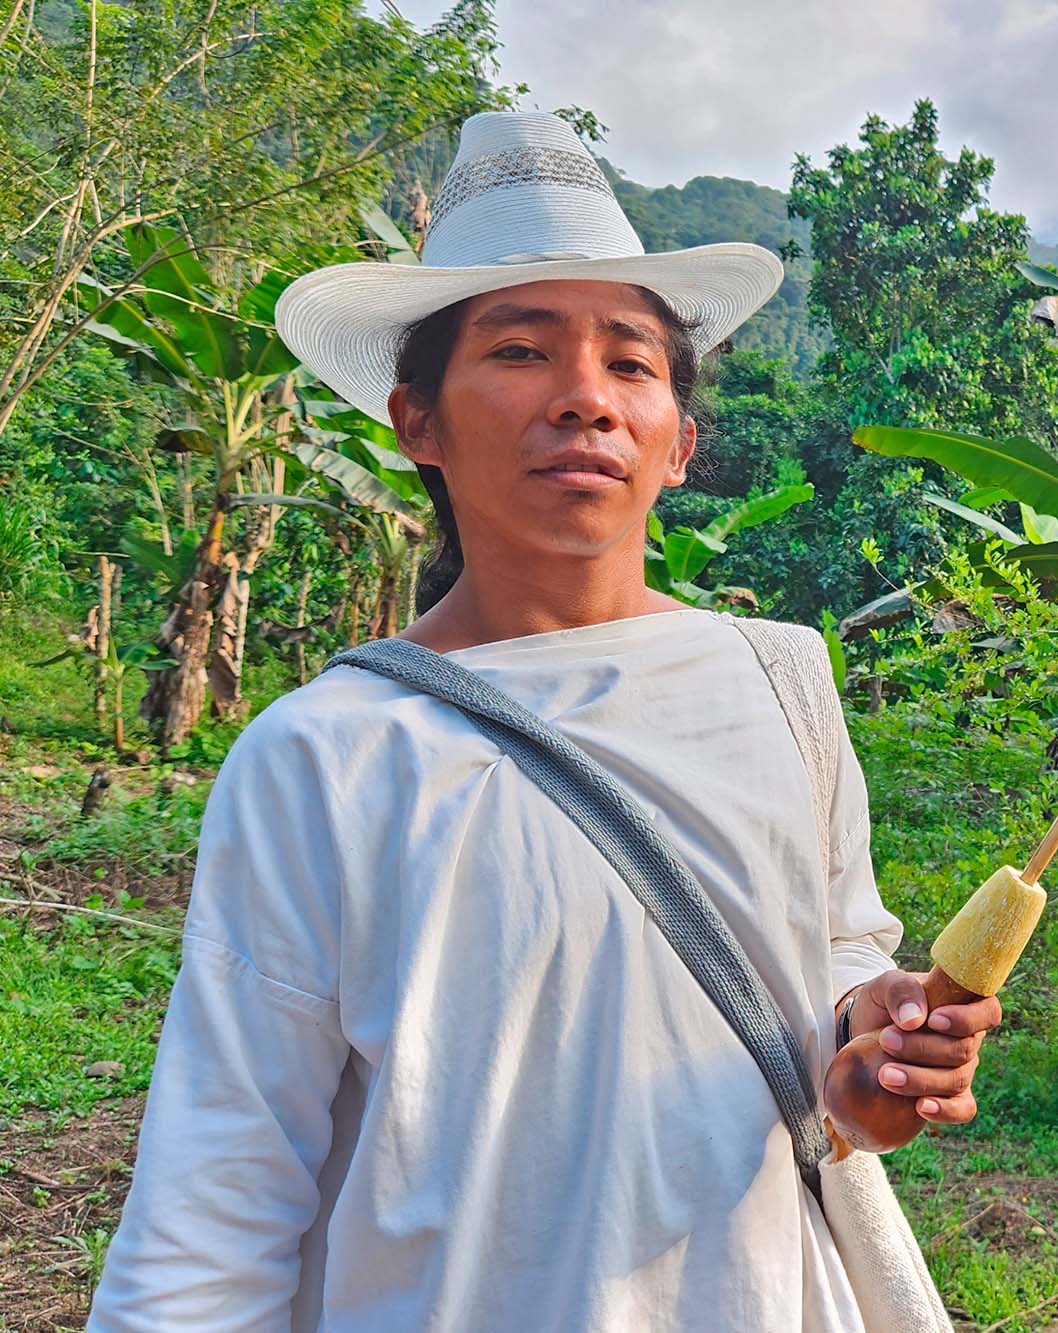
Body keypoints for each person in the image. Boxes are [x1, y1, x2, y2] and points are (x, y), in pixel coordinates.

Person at [87, 110, 999, 1332]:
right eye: (519, 352)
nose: (586, 397)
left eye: (631, 362)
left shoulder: (781, 680)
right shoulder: (325, 753)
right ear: (417, 423)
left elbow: (826, 953)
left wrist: (867, 1041)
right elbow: (221, 1184)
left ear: (679, 439)